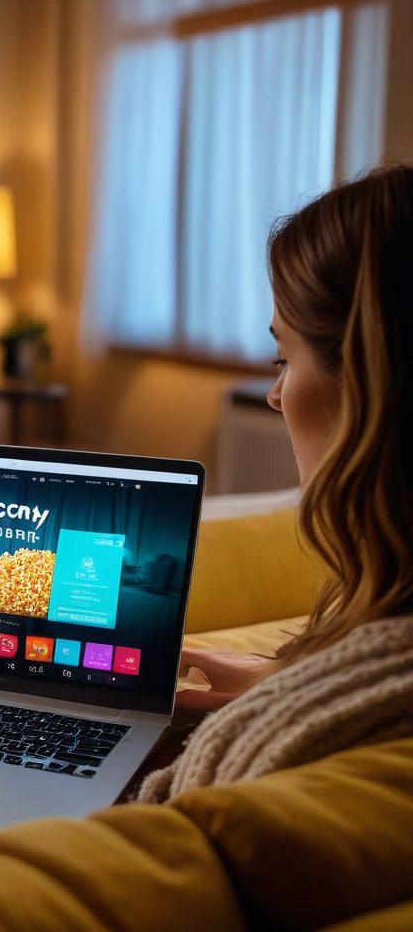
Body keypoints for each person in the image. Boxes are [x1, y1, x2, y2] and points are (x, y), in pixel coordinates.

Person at [136, 166, 413, 802]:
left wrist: (292, 699)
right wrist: (287, 677)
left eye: (286, 358)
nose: (275, 394)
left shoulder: (284, 743)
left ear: (372, 383)